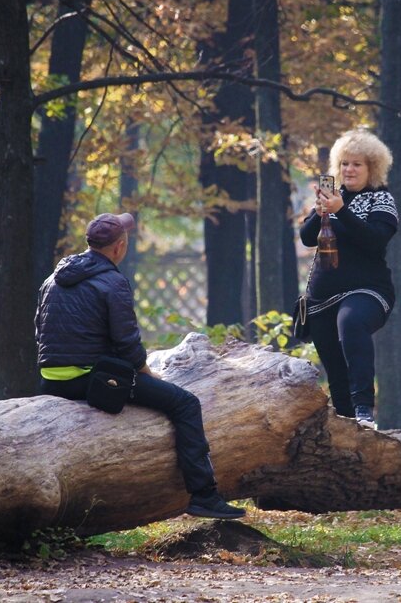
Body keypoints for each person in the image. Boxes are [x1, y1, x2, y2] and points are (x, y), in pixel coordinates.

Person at [35, 212, 245, 519]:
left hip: (50, 380)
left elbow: (40, 329)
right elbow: (127, 343)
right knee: (185, 403)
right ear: (119, 247)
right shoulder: (112, 281)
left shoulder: (53, 278)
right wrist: (147, 374)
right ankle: (204, 496)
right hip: (91, 380)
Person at [298, 129, 398, 429]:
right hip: (321, 298)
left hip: (367, 291)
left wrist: (343, 211)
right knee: (336, 374)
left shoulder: (381, 198)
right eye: (344, 164)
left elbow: (375, 241)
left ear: (372, 168)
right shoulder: (330, 199)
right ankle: (348, 425)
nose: (349, 170)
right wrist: (320, 212)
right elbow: (306, 238)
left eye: (357, 164)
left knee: (351, 322)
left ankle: (365, 409)